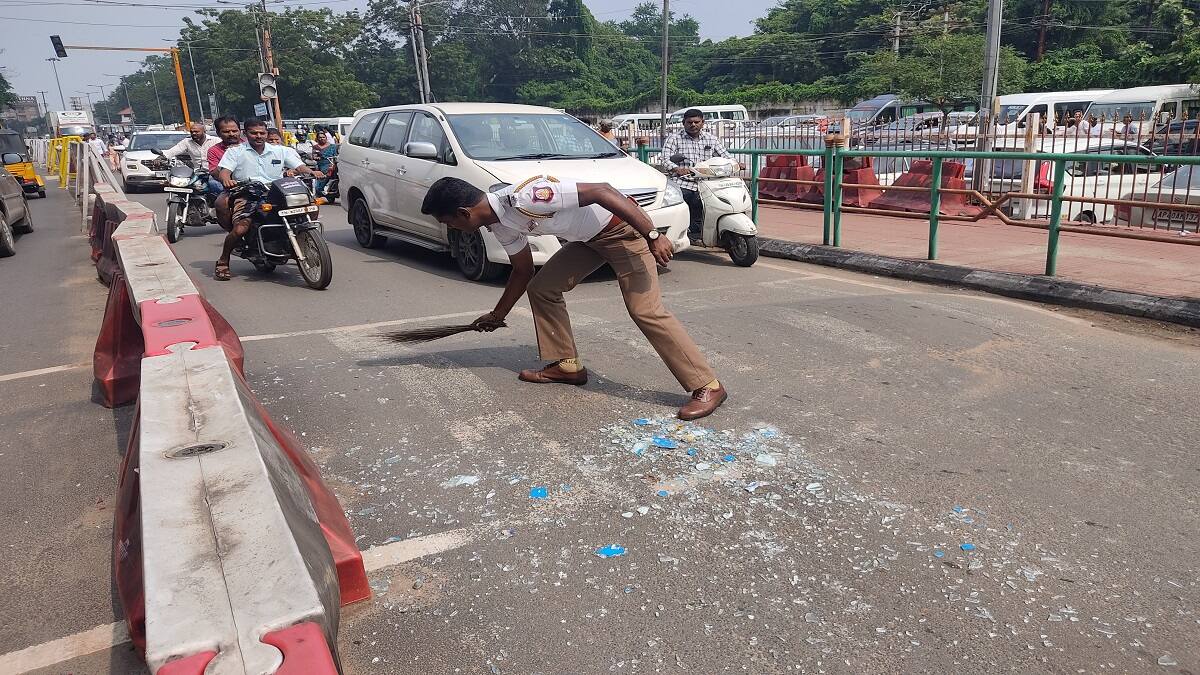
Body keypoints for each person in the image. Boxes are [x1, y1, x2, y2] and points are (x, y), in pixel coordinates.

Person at [420, 176, 728, 421]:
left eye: (450, 223)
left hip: (622, 231)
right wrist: (498, 315)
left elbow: (602, 191)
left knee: (645, 310)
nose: (452, 229)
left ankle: (707, 386)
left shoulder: (526, 195)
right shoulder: (499, 224)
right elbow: (523, 270)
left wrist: (652, 234)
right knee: (543, 288)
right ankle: (567, 365)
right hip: (588, 241)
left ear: (463, 212)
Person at [213, 119, 322, 281]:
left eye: (262, 133)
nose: (258, 136)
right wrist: (226, 179)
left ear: (267, 134)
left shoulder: (280, 151)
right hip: (248, 193)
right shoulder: (235, 151)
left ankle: (300, 239)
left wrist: (311, 172)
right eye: (254, 133)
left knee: (311, 206)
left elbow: (299, 166)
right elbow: (224, 171)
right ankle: (223, 261)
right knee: (240, 229)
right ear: (245, 134)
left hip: (277, 192)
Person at [660, 109, 739, 245]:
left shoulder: (712, 139)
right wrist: (676, 168)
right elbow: (665, 159)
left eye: (697, 122)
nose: (693, 125)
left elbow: (725, 156)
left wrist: (736, 163)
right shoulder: (674, 139)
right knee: (681, 202)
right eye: (689, 122)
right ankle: (683, 232)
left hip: (708, 183)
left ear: (703, 123)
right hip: (684, 182)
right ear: (683, 123)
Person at [208, 116, 244, 229]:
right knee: (220, 204)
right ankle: (233, 232)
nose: (231, 134)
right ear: (219, 134)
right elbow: (214, 172)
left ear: (240, 131)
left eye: (234, 131)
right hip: (233, 187)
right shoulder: (214, 151)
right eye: (226, 131)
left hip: (261, 183)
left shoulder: (250, 145)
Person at [309, 127, 337, 194]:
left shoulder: (332, 146)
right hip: (321, 165)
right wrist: (316, 157)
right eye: (320, 137)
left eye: (323, 137)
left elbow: (335, 156)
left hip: (331, 164)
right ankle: (320, 190)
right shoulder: (316, 147)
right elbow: (314, 156)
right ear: (317, 139)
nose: (322, 139)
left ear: (326, 138)